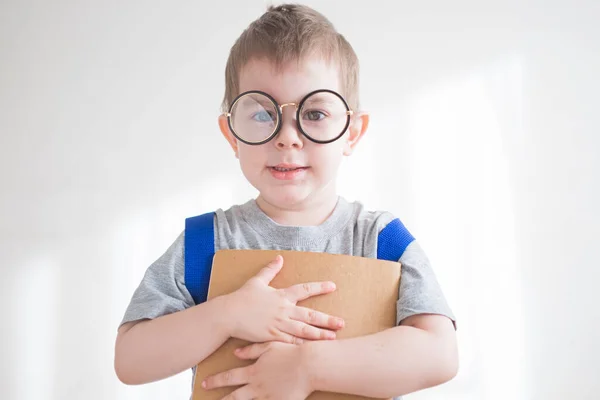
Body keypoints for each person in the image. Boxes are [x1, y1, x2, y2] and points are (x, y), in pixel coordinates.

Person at [114, 4, 458, 399]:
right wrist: (227, 314)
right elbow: (130, 359)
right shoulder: (203, 244)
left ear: (351, 132)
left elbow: (440, 353)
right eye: (262, 115)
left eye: (314, 113)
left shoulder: (382, 240)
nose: (287, 137)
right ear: (231, 134)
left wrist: (307, 367)